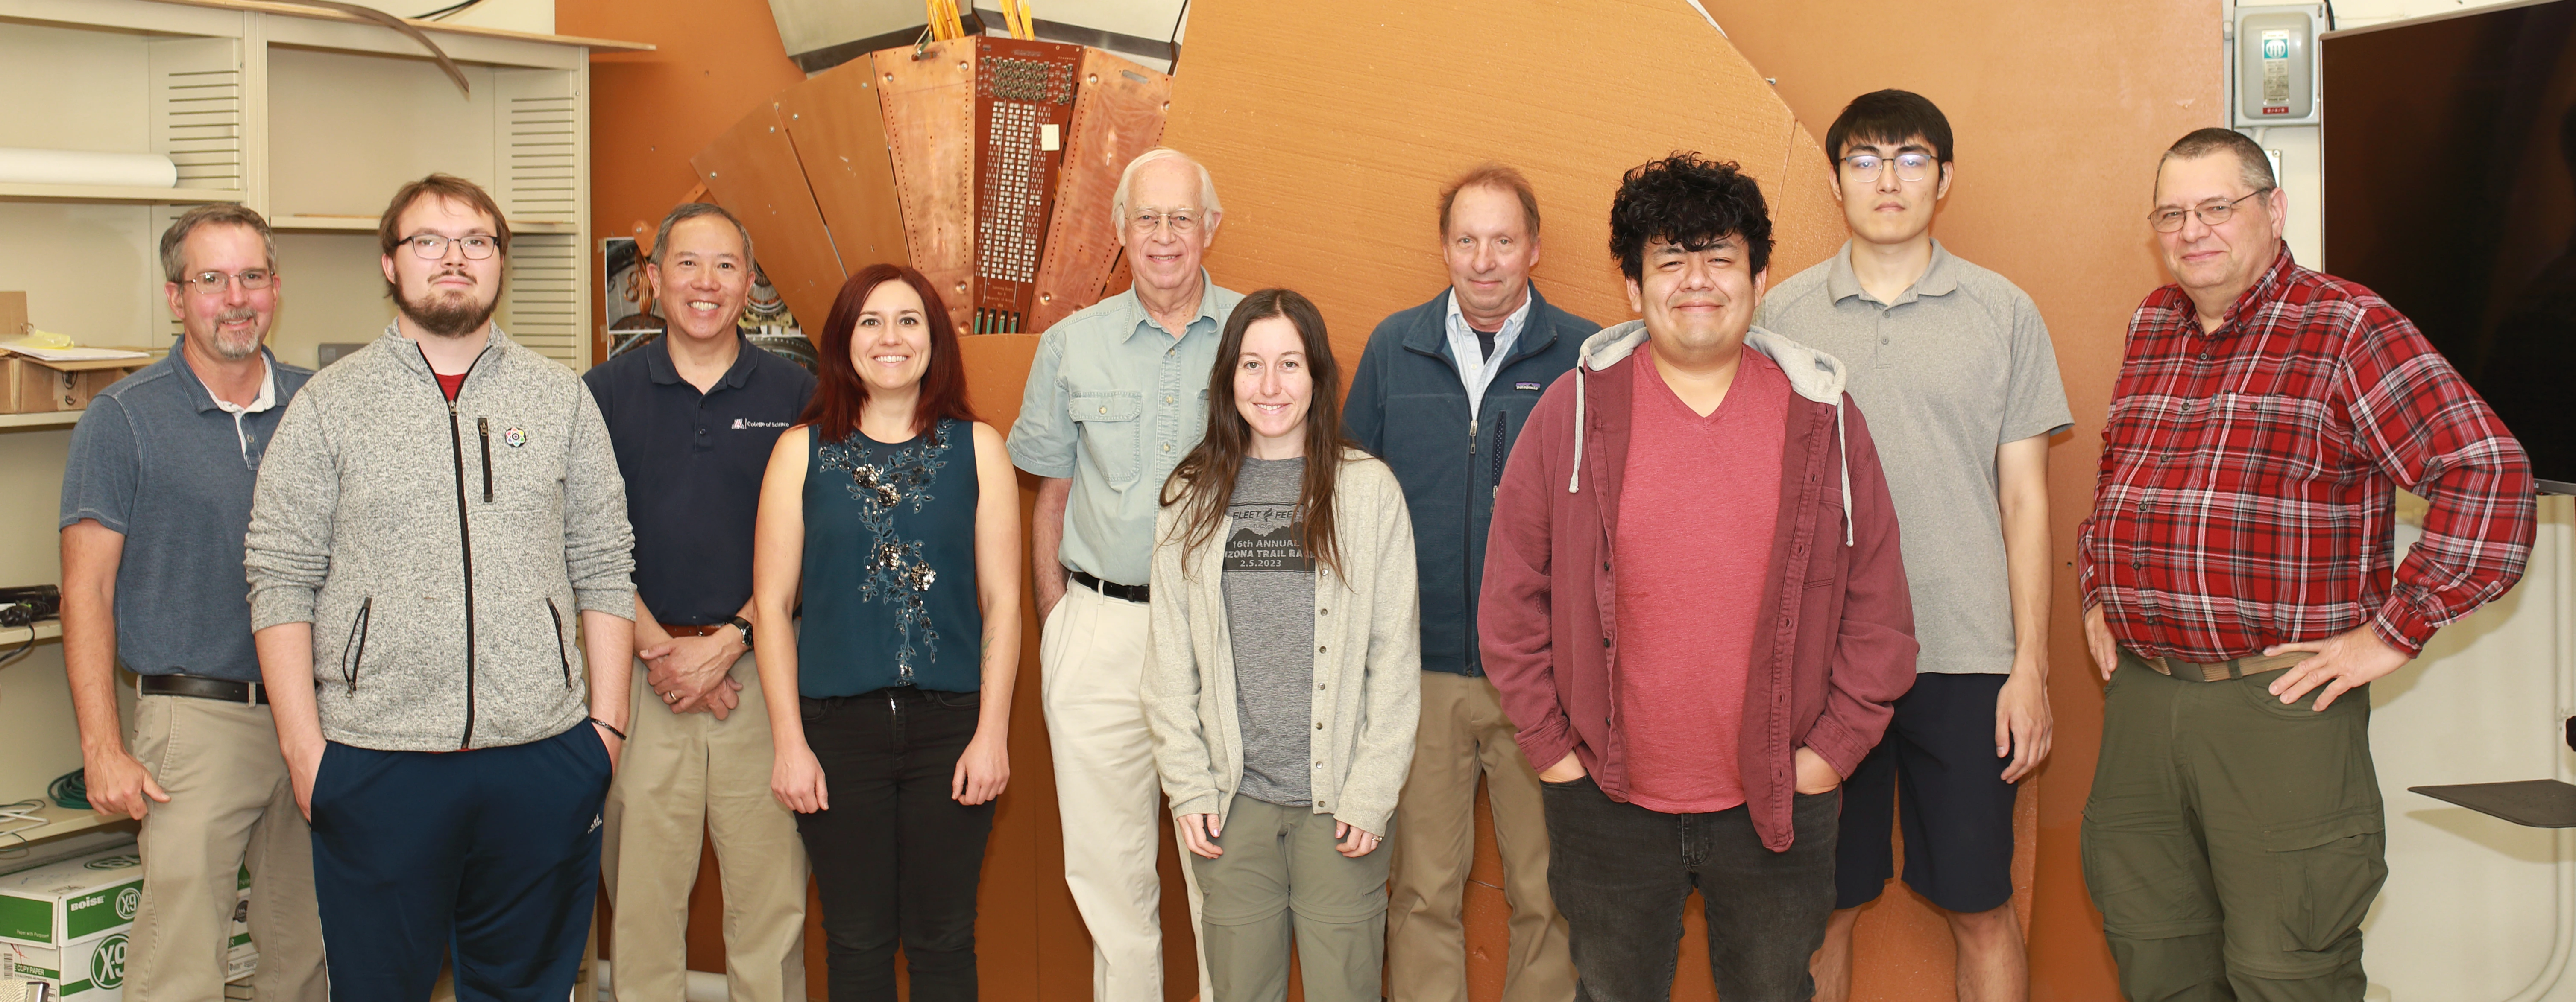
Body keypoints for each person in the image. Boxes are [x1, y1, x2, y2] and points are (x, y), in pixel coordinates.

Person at [2078, 128, 2537, 1001]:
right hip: (2142, 700)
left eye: (2218, 207)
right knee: (2154, 949)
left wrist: (2394, 633)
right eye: (2172, 213)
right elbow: (2118, 471)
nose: (2193, 230)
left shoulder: (2347, 326)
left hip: (2276, 706)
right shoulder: (2156, 324)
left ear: (2273, 209)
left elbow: (2488, 471)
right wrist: (2102, 585)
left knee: (2288, 968)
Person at [1480, 153, 1918, 1002]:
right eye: (1669, 260)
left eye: (1719, 257)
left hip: (1778, 806)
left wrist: (1827, 756)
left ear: (1758, 277)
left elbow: (1880, 607)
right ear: (1634, 287)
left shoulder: (1821, 416)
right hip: (1606, 799)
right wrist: (1554, 754)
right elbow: (1511, 607)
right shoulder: (1569, 415)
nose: (1697, 282)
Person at [244, 173, 637, 1001]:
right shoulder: (329, 407)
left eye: (476, 242)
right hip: (378, 760)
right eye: (428, 242)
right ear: (391, 264)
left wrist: (605, 730)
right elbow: (280, 577)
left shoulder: (561, 399)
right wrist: (304, 750)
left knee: (529, 988)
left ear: (501, 264)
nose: (453, 258)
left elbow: (604, 562)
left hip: (543, 755)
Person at [1755, 90, 2070, 1002]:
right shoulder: (1780, 316)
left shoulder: (2004, 313)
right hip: (1824, 663)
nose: (1886, 179)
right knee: (1820, 907)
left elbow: (2025, 498)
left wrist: (2030, 667)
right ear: (1834, 179)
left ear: (1945, 178)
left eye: (1910, 158)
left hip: (1968, 661)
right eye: (1863, 159)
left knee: (1981, 906)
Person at [58, 204, 326, 1002]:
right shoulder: (122, 420)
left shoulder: (321, 408)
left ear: (276, 289)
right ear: (177, 297)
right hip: (194, 722)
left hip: (316, 719)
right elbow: (87, 589)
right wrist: (103, 744)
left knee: (310, 952)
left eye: (251, 277)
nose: (234, 298)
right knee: (179, 962)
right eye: (211, 280)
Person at [1343, 163, 1587, 1002]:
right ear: (1444, 248)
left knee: (1548, 894)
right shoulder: (1392, 347)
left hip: (1544, 681)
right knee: (1421, 893)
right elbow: (1351, 504)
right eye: (1467, 240)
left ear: (1535, 248)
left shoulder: (1587, 358)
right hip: (1421, 675)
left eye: (1504, 240)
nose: (1485, 260)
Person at [1008, 146, 1242, 1001]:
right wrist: (1057, 616)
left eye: (1184, 217)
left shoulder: (1262, 337)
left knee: (1226, 880)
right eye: (1148, 218)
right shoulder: (1073, 346)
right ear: (1120, 231)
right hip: (1099, 630)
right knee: (1107, 880)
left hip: (1224, 639)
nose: (1166, 236)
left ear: (1212, 228)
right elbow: (1049, 494)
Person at [754, 263, 1021, 1002]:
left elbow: (1003, 603)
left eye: (909, 320)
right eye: (870, 321)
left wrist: (992, 732)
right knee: (857, 942)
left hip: (952, 731)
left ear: (934, 341)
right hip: (836, 733)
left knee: (943, 939)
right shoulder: (800, 452)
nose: (891, 337)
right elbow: (772, 607)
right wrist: (789, 744)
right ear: (843, 341)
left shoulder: (980, 450)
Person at [1145, 288, 1420, 1002]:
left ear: (1319, 376)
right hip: (1231, 807)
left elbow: (1394, 657)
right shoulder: (1191, 493)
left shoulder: (1368, 493)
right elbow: (1170, 659)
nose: (1270, 386)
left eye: (1290, 364)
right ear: (1228, 379)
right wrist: (1188, 784)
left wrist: (1371, 790)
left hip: (1341, 812)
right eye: (1252, 365)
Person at [586, 203, 816, 1002]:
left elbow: (816, 539)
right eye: (687, 264)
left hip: (765, 681)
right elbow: (582, 541)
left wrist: (729, 643)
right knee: (643, 908)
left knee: (770, 903)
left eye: (725, 266)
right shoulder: (600, 394)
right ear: (651, 280)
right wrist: (662, 650)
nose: (705, 284)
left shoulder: (799, 392)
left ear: (750, 284)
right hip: (640, 683)